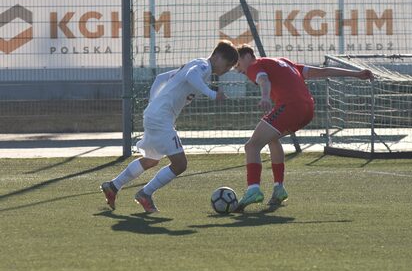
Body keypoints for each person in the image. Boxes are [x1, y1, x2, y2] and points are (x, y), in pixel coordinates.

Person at [101, 40, 239, 213]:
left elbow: (160, 78)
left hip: (155, 114)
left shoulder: (195, 64)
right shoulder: (203, 66)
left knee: (151, 159)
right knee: (180, 164)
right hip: (160, 118)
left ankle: (113, 186)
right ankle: (145, 194)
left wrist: (153, 103)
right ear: (217, 57)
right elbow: (191, 76)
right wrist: (212, 94)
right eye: (226, 66)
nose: (225, 71)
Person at [234, 44, 374, 212]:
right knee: (272, 139)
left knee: (252, 146)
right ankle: (279, 188)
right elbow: (322, 72)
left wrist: (265, 97)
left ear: (246, 56)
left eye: (237, 64)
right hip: (307, 109)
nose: (239, 69)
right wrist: (356, 74)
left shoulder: (254, 66)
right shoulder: (284, 62)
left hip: (290, 107)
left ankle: (253, 189)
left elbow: (264, 80)